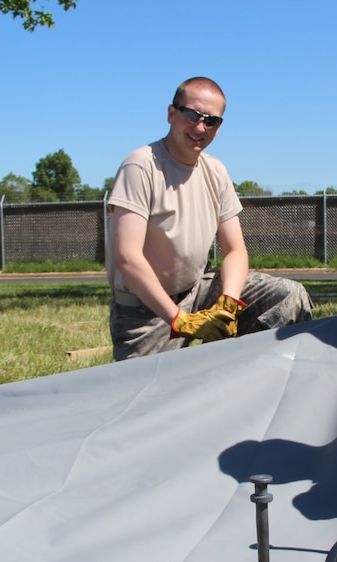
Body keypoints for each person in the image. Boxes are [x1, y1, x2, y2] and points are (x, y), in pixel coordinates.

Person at [106, 76, 312, 361]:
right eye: (192, 115)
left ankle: (256, 382)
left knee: (288, 295)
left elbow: (235, 250)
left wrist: (227, 302)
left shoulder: (215, 171)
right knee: (150, 401)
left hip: (197, 292)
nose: (200, 127)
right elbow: (127, 257)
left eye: (211, 120)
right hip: (146, 311)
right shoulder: (141, 165)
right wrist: (180, 320)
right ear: (171, 114)